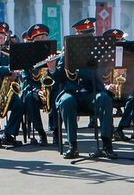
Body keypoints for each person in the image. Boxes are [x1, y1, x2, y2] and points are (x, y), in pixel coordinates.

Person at [46, 17, 118, 159]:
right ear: (77, 35)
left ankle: (107, 145)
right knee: (66, 101)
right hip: (72, 93)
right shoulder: (67, 51)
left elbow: (101, 74)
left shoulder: (98, 52)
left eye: (89, 35)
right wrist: (53, 68)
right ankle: (72, 146)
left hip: (92, 93)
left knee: (104, 98)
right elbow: (59, 78)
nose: (86, 39)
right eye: (83, 36)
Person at [19, 24, 53, 146]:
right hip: (37, 91)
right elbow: (26, 81)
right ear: (32, 42)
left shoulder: (55, 54)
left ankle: (56, 132)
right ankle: (41, 132)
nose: (41, 40)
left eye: (43, 37)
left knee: (60, 97)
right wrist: (37, 90)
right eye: (38, 39)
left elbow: (60, 77)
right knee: (29, 98)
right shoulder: (27, 58)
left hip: (52, 89)